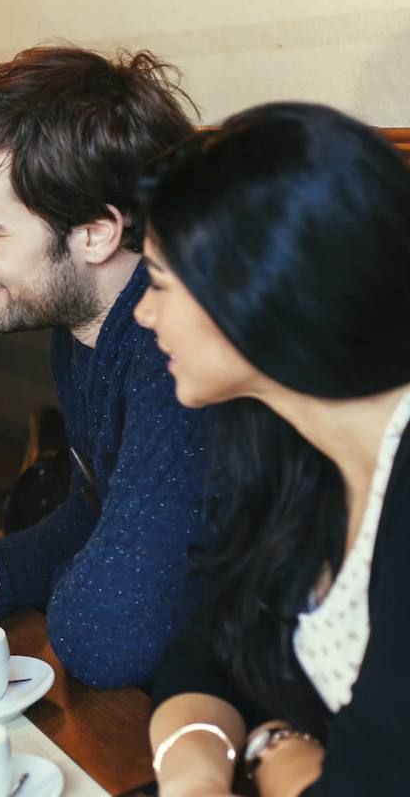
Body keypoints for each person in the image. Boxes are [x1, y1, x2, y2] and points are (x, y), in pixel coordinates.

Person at [0, 46, 211, 688]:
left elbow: (108, 637)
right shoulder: (82, 324)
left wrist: (69, 585)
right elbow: (99, 507)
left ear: (94, 233)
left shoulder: (179, 355)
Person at [140, 104, 410, 795]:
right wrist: (196, 775)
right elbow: (204, 657)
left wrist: (270, 746)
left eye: (159, 283)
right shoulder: (286, 439)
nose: (143, 313)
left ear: (257, 295)